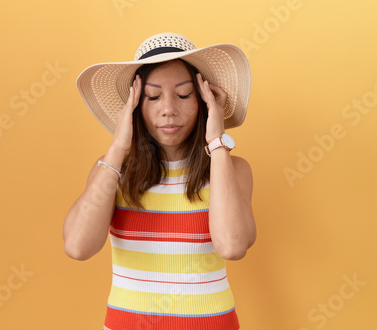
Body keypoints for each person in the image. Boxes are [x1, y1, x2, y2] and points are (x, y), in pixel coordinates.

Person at [63, 32, 256, 330]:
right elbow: (77, 247)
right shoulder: (112, 172)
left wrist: (217, 142)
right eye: (153, 97)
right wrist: (117, 148)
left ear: (204, 101)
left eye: (183, 95)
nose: (168, 109)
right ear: (135, 106)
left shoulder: (231, 169)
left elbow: (232, 246)